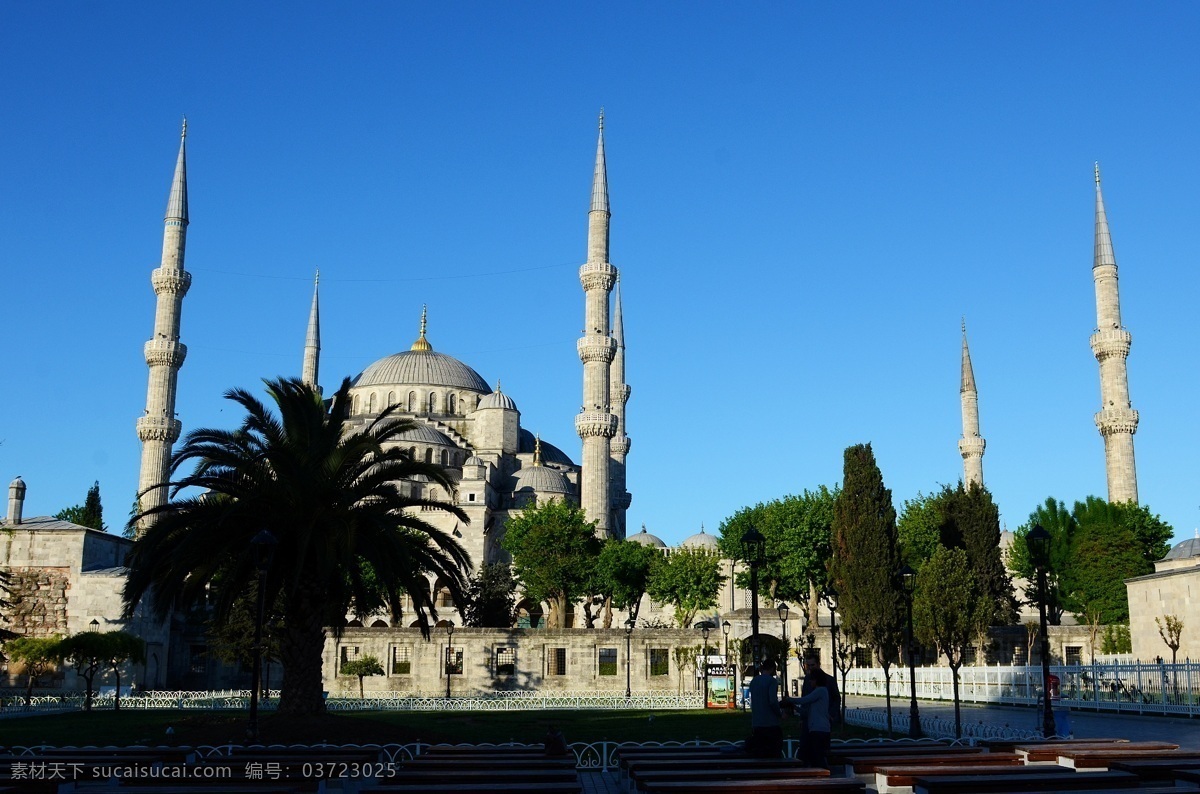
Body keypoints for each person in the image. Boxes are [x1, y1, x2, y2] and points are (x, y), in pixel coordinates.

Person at [797, 652, 838, 768]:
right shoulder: (807, 680)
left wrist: (831, 714)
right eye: (807, 665)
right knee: (805, 749)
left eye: (812, 665)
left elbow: (836, 698)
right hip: (808, 720)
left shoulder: (829, 680)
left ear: (819, 664)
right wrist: (802, 718)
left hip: (821, 721)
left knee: (819, 751)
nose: (810, 668)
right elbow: (804, 698)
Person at [747, 659, 785, 757]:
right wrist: (780, 713)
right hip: (771, 723)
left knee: (760, 754)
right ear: (773, 669)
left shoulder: (754, 681)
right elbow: (772, 701)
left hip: (756, 723)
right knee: (773, 753)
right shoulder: (772, 681)